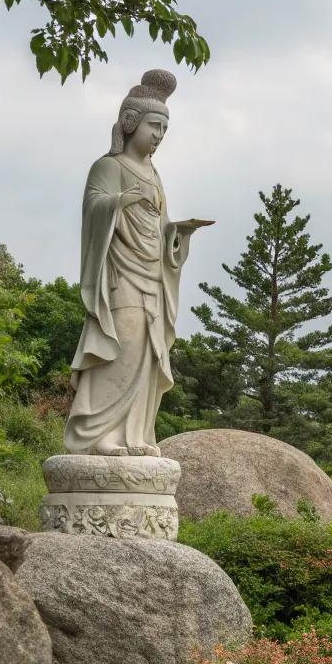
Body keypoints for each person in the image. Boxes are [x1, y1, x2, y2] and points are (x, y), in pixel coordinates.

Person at [64, 69, 211, 455]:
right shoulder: (108, 167)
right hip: (120, 276)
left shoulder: (155, 175)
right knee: (121, 346)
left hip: (152, 276)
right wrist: (119, 202)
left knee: (149, 353)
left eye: (164, 129)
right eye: (153, 126)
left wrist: (177, 236)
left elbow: (160, 228)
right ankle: (101, 435)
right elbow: (94, 209)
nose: (159, 136)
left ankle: (136, 435)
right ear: (130, 123)